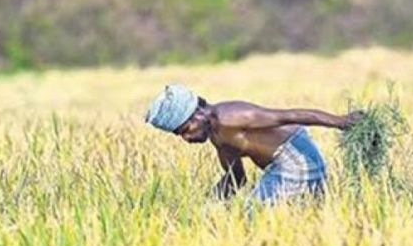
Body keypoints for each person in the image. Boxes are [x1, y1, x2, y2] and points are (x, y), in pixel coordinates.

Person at [145, 84, 363, 208]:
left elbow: (290, 116)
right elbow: (236, 179)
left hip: (297, 159)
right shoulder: (219, 138)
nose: (185, 138)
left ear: (198, 114)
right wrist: (207, 208)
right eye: (179, 135)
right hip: (279, 168)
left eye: (185, 130)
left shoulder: (232, 116)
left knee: (254, 211)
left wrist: (341, 121)